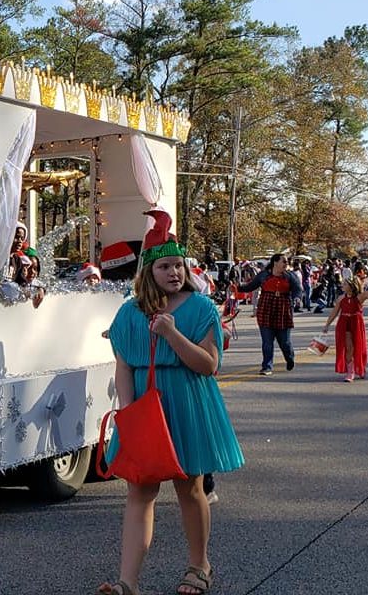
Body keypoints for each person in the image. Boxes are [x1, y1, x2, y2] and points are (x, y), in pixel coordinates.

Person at [98, 210, 243, 595]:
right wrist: (127, 415)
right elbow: (124, 367)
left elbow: (208, 365)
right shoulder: (128, 313)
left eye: (179, 265)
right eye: (165, 266)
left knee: (189, 487)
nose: (175, 272)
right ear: (148, 271)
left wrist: (172, 334)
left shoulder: (201, 308)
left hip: (186, 404)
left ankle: (199, 566)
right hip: (145, 409)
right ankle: (127, 582)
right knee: (140, 491)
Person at [236, 254, 301, 376]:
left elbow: (298, 290)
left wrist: (297, 298)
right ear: (275, 262)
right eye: (283, 261)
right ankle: (267, 366)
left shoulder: (290, 276)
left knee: (285, 342)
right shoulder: (263, 275)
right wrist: (238, 288)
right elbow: (251, 286)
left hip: (283, 309)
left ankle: (289, 358)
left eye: (286, 262)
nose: (286, 264)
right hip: (266, 308)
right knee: (267, 342)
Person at [322, 276, 368, 383]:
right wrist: (327, 325)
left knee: (359, 347)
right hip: (344, 324)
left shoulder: (360, 297)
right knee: (349, 347)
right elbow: (334, 312)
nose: (342, 285)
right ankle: (350, 371)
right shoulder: (341, 298)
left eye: (345, 284)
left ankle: (360, 367)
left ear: (351, 286)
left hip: (356, 323)